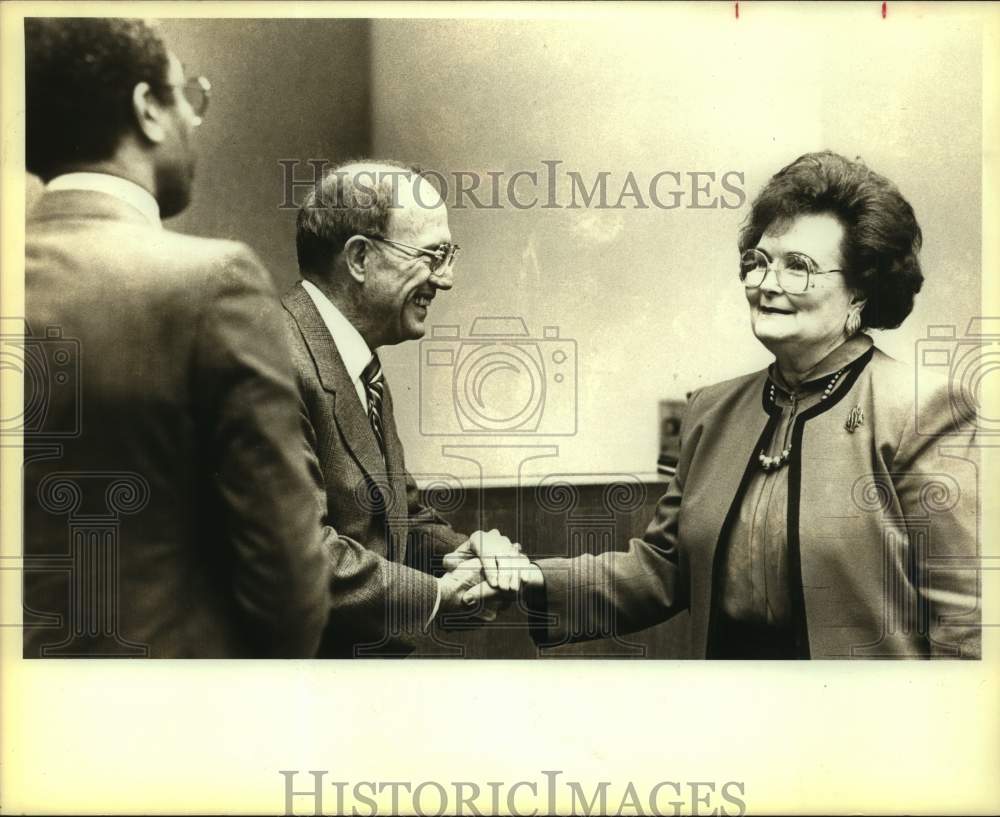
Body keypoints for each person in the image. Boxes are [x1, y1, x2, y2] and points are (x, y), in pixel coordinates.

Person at [462, 151, 981, 659]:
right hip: (729, 706)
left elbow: (963, 615)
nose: (766, 285)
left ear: (860, 291)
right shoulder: (713, 411)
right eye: (757, 263)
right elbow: (665, 569)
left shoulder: (920, 408)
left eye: (798, 267)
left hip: (860, 720)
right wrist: (533, 578)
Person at [23, 18, 332, 658]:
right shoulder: (213, 282)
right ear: (148, 110)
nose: (195, 119)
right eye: (187, 95)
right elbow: (289, 587)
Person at [285, 161, 517, 657]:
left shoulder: (358, 362)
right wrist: (437, 595)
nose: (447, 279)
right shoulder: (275, 361)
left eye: (449, 255)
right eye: (432, 256)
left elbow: (399, 519)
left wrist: (465, 552)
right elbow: (301, 554)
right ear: (361, 258)